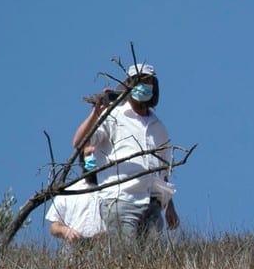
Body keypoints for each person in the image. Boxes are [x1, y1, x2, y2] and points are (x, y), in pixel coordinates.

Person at [72, 63, 180, 238]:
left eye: (148, 81)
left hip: (152, 203)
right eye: (138, 81)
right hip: (121, 198)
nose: (143, 86)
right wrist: (96, 113)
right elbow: (79, 142)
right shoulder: (113, 116)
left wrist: (170, 208)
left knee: (152, 260)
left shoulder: (158, 127)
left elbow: (162, 173)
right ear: (128, 85)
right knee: (126, 256)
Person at [46, 147, 105, 247]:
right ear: (81, 163)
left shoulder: (113, 190)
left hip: (106, 254)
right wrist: (65, 231)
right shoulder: (68, 191)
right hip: (74, 254)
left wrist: (107, 234)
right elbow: (54, 227)